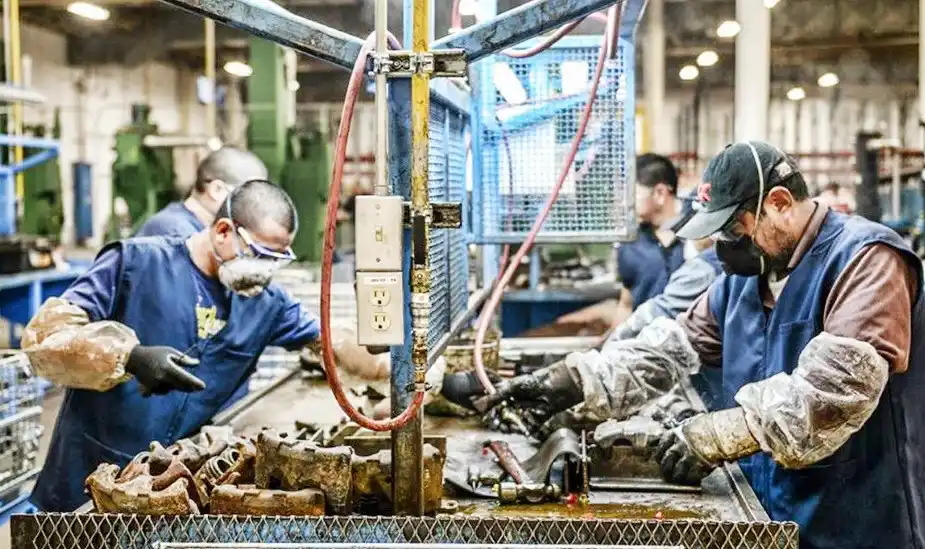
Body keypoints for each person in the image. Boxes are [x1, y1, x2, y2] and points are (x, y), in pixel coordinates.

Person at [476, 141, 923, 548]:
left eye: (733, 229)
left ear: (780, 203)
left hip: (854, 519)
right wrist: (573, 380)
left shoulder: (866, 260)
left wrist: (715, 435)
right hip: (770, 511)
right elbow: (668, 350)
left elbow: (834, 394)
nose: (724, 246)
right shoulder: (743, 283)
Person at [22, 180, 320, 512]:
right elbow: (44, 336)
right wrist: (128, 356)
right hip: (85, 486)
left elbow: (332, 345)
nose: (264, 272)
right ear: (223, 231)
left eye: (276, 261)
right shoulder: (135, 263)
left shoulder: (268, 304)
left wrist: (382, 351)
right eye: (259, 255)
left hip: (173, 493)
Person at [135, 146, 268, 238]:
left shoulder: (201, 229)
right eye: (250, 197)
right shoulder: (175, 232)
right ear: (217, 190)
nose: (255, 207)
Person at [615, 153, 685, 311]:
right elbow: (626, 304)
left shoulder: (697, 239)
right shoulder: (630, 245)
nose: (625, 203)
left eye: (633, 194)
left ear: (660, 193)